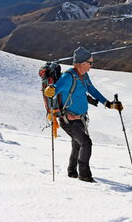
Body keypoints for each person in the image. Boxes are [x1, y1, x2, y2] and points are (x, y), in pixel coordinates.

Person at [44, 47, 123, 183]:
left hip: (80, 118)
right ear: (82, 63)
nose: (92, 65)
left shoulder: (84, 76)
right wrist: (49, 90)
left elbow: (92, 90)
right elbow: (55, 90)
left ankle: (72, 171)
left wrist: (108, 103)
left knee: (77, 144)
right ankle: (84, 175)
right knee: (86, 143)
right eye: (90, 62)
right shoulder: (67, 77)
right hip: (68, 119)